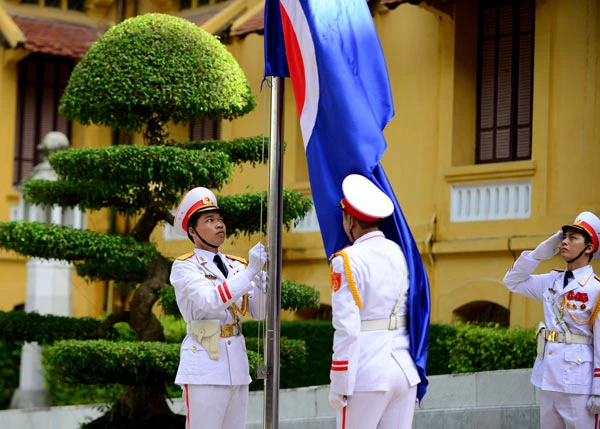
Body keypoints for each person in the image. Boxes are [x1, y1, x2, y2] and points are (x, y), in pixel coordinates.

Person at [169, 187, 268, 429]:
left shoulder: (237, 266)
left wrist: (264, 286)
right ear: (192, 231)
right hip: (205, 361)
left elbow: (259, 312)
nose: (219, 225)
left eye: (220, 219)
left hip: (236, 364)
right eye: (210, 220)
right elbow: (210, 300)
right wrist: (250, 274)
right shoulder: (185, 267)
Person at [328, 174, 421, 429]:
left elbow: (347, 328)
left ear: (349, 220)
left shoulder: (346, 260)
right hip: (403, 369)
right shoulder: (399, 252)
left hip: (367, 371)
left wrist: (340, 382)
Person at [503, 211, 600, 428]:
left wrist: (599, 390)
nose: (564, 242)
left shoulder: (596, 289)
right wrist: (537, 255)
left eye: (573, 238)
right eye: (563, 237)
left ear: (589, 248)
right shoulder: (551, 280)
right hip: (548, 377)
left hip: (579, 383)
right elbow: (512, 281)